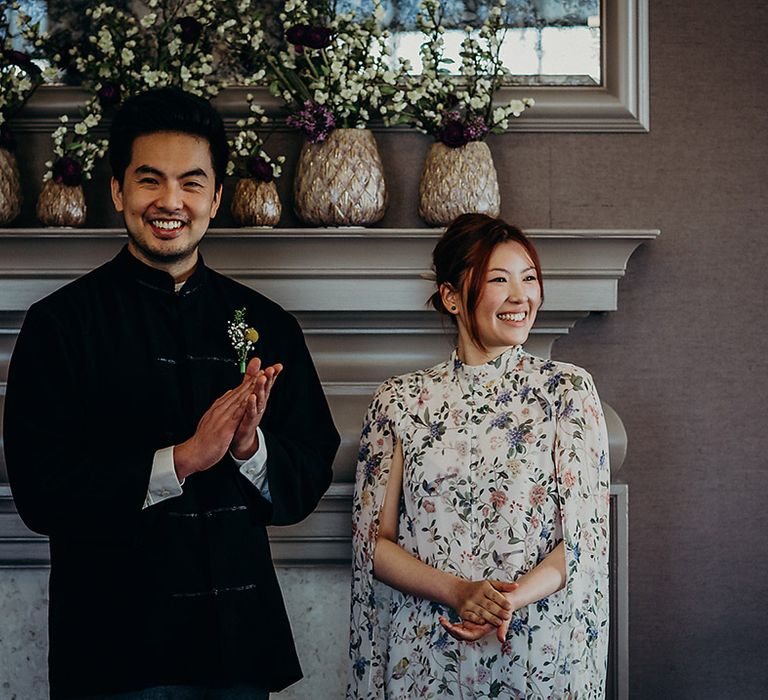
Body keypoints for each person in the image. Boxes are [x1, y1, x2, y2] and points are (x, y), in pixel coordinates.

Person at [4, 87, 340, 700]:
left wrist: (247, 450)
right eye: (149, 180)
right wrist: (183, 458)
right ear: (118, 191)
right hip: (113, 648)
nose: (169, 202)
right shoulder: (60, 325)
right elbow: (39, 491)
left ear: (215, 197)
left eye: (191, 183)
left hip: (237, 645)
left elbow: (309, 469)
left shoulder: (267, 322)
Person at [348, 214, 610, 699]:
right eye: (499, 279)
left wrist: (505, 604)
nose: (521, 296)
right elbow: (373, 545)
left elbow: (584, 541)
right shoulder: (399, 401)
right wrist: (458, 593)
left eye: (529, 278)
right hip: (425, 650)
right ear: (451, 296)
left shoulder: (567, 391)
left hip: (533, 649)